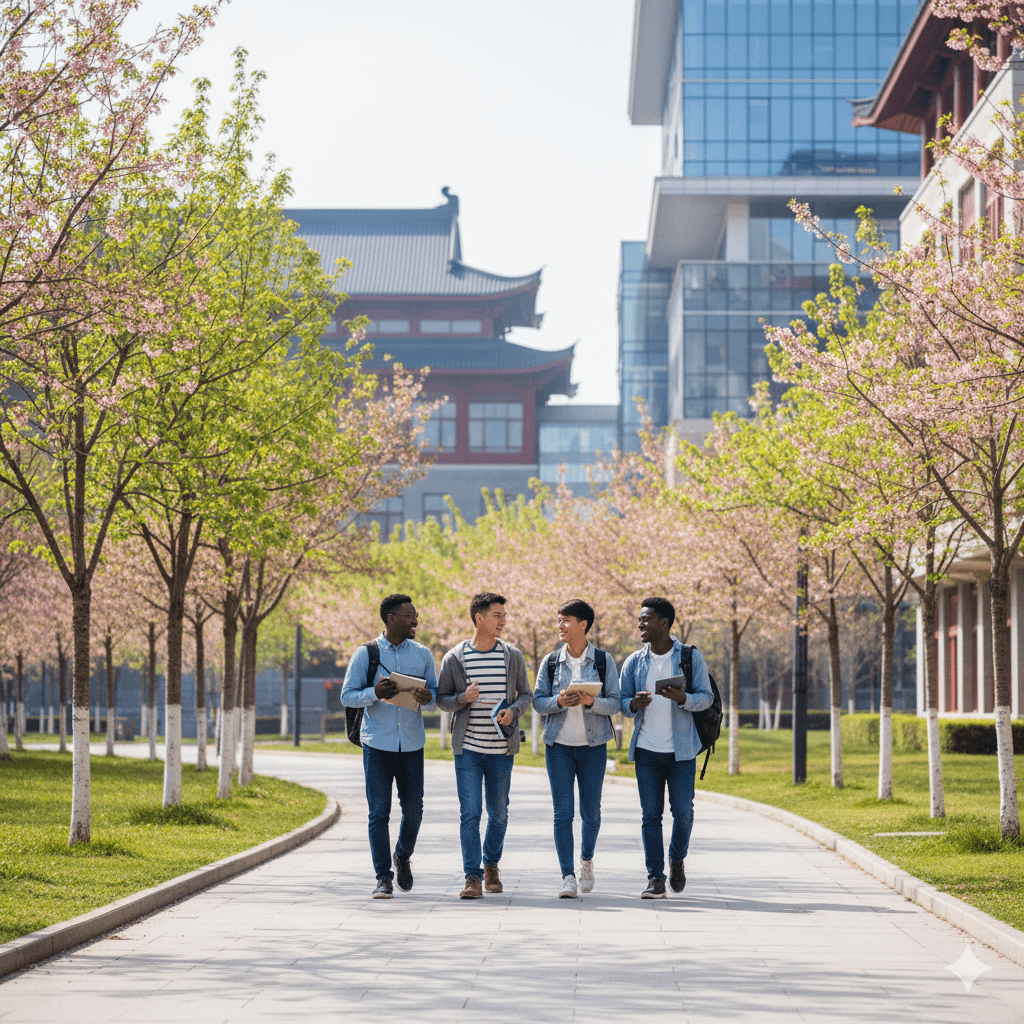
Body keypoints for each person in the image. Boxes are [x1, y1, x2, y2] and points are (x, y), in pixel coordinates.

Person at [436, 592, 533, 900]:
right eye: (497, 616)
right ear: (479, 618)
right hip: (468, 748)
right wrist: (463, 699)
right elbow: (441, 700)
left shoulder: (511, 655)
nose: (502, 621)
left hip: (501, 748)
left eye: (504, 616)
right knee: (470, 812)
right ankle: (472, 876)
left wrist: (513, 712)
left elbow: (526, 695)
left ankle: (491, 864)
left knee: (499, 813)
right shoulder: (455, 657)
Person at [341, 593, 437, 899]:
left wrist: (427, 698)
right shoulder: (366, 654)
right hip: (377, 744)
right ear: (391, 618)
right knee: (378, 813)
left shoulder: (422, 654)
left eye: (415, 614)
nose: (415, 620)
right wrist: (374, 692)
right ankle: (383, 877)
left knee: (414, 812)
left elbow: (434, 694)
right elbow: (347, 695)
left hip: (412, 744)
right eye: (409, 615)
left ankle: (402, 856)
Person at [619, 597, 713, 899]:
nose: (640, 624)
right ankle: (655, 878)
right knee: (650, 815)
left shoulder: (689, 657)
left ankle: (676, 858)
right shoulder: (634, 661)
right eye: (639, 619)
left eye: (646, 619)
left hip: (681, 751)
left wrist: (682, 699)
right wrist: (634, 704)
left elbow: (706, 697)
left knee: (683, 813)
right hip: (646, 751)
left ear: (664, 623)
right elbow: (622, 704)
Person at [533, 599, 621, 899]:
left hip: (593, 746)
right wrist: (558, 701)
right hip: (558, 746)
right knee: (562, 813)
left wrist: (590, 702)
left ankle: (585, 861)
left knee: (591, 813)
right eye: (558, 620)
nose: (560, 626)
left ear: (583, 624)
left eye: (566, 621)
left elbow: (616, 703)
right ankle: (567, 876)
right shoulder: (551, 661)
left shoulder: (603, 661)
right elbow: (537, 701)